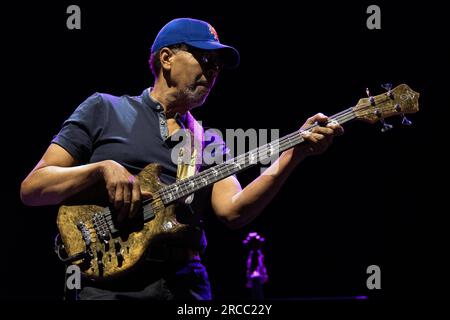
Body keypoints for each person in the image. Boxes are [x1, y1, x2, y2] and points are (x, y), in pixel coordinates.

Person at [20, 17, 343, 300]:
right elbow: (33, 189)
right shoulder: (104, 109)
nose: (213, 70)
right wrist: (102, 169)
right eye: (204, 58)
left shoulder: (207, 141)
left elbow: (234, 212)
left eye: (217, 65)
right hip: (110, 288)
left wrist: (292, 155)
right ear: (166, 58)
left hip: (186, 286)